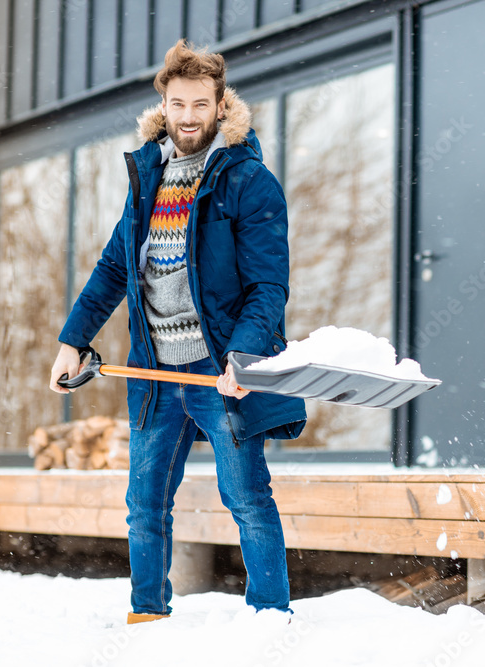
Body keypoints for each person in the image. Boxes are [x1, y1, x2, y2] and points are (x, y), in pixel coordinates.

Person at [49, 39, 306, 624]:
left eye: (200, 104)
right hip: (155, 372)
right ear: (163, 106)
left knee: (246, 498)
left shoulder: (248, 182)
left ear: (220, 106)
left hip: (222, 371)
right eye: (177, 104)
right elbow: (115, 267)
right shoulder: (148, 177)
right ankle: (146, 618)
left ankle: (270, 618)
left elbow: (269, 287)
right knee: (143, 506)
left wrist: (243, 358)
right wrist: (73, 339)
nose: (188, 116)